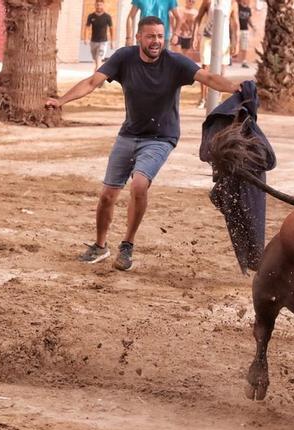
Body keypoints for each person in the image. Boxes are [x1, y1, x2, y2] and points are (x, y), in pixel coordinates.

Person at [46, 16, 239, 271]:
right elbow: (93, 82)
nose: (156, 41)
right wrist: (61, 101)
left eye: (160, 36)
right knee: (107, 196)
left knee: (139, 184)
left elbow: (209, 78)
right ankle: (100, 246)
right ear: (139, 38)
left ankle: (127, 245)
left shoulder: (175, 62)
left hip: (161, 138)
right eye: (150, 36)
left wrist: (237, 89)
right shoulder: (124, 58)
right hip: (129, 134)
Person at [194, 0, 240, 108]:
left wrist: (236, 42)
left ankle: (218, 98)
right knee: (205, 67)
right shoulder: (208, 1)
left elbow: (236, 24)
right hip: (208, 37)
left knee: (221, 70)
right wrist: (194, 36)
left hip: (223, 39)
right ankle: (203, 98)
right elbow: (198, 18)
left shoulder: (232, 3)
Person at [84, 0, 114, 71]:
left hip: (103, 42)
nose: (99, 7)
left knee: (98, 58)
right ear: (95, 5)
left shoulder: (107, 17)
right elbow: (87, 28)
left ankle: (96, 76)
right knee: (96, 59)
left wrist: (112, 41)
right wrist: (85, 38)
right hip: (93, 42)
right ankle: (98, 71)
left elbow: (111, 29)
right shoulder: (91, 16)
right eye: (97, 5)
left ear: (103, 5)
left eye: (100, 5)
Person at [237, 0, 254, 68]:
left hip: (245, 30)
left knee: (245, 46)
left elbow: (249, 19)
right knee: (233, 44)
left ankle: (244, 61)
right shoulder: (237, 7)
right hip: (237, 29)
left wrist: (252, 26)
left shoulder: (248, 9)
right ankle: (229, 59)